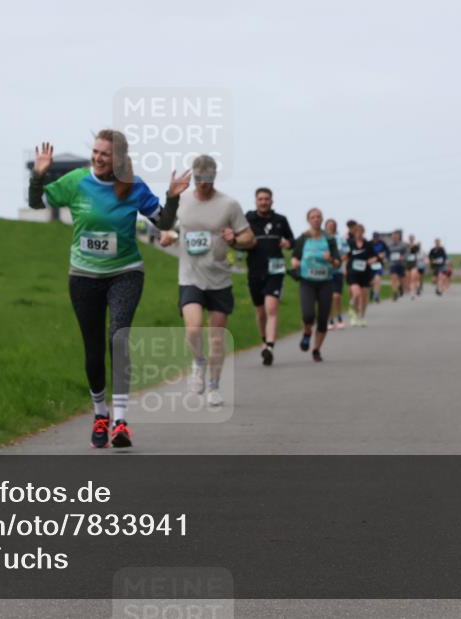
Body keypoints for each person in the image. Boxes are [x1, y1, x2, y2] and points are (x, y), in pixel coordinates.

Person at [28, 133, 190, 449]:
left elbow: (163, 223)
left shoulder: (134, 186)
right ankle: (100, 413)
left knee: (118, 338)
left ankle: (121, 421)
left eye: (105, 154)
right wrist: (38, 174)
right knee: (93, 348)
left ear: (118, 159)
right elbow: (37, 203)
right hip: (83, 276)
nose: (98, 158)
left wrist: (172, 197)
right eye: (95, 151)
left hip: (125, 273)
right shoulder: (76, 181)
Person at [160, 155, 255, 406]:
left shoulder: (229, 205)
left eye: (207, 178)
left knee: (216, 337)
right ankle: (198, 362)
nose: (203, 183)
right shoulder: (183, 200)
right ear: (193, 176)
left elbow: (249, 238)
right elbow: (167, 224)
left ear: (214, 176)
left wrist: (235, 238)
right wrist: (168, 234)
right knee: (193, 329)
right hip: (189, 276)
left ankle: (214, 386)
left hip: (219, 279)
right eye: (199, 178)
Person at [244, 187, 294, 366]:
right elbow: (238, 239)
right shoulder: (248, 219)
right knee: (260, 312)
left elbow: (292, 240)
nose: (264, 202)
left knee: (271, 308)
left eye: (266, 199)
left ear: (272, 201)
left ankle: (270, 347)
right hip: (255, 271)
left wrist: (288, 243)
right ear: (256, 201)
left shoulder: (280, 220)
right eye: (261, 199)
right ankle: (264, 341)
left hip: (276, 270)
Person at [291, 208, 340, 361]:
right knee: (308, 315)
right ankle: (307, 332)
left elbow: (338, 262)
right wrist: (295, 263)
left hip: (325, 282)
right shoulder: (303, 238)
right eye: (313, 217)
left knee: (323, 319)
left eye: (318, 216)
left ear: (322, 219)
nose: (316, 219)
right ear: (308, 220)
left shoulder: (329, 239)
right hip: (307, 281)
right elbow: (294, 256)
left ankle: (316, 350)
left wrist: (330, 259)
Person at [346, 223, 378, 326]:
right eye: (357, 232)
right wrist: (345, 269)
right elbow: (346, 256)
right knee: (356, 294)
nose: (359, 234)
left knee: (364, 296)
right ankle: (354, 313)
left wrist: (372, 260)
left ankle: (361, 316)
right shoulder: (350, 243)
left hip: (365, 273)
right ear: (354, 233)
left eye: (361, 232)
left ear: (363, 232)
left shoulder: (368, 244)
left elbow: (375, 256)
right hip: (353, 272)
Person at [324, 218, 349, 329]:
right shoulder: (322, 238)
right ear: (325, 227)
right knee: (328, 297)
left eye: (332, 225)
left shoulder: (340, 239)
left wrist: (338, 261)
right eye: (328, 225)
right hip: (325, 271)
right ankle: (330, 320)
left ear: (335, 227)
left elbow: (346, 253)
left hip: (337, 270)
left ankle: (339, 316)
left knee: (337, 296)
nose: (330, 227)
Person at [385, 230, 408, 302]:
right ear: (392, 238)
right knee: (393, 278)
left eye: (396, 237)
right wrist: (387, 258)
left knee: (401, 280)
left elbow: (407, 253)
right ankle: (394, 293)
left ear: (398, 237)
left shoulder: (403, 244)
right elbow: (387, 254)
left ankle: (400, 287)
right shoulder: (389, 245)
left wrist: (403, 257)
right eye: (393, 237)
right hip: (393, 264)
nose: (394, 238)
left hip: (401, 264)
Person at [369, 231, 388, 303]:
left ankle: (377, 295)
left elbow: (387, 252)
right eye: (375, 238)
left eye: (377, 238)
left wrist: (384, 255)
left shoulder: (382, 243)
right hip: (370, 264)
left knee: (377, 278)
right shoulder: (369, 243)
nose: (376, 239)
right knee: (371, 281)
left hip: (378, 264)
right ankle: (372, 290)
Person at [405, 235, 421, 300]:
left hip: (414, 265)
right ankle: (414, 289)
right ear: (409, 239)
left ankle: (413, 294)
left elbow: (417, 250)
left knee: (413, 278)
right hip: (407, 265)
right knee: (408, 279)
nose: (411, 239)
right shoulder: (405, 246)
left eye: (412, 238)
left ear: (413, 239)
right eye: (410, 238)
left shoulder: (416, 246)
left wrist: (414, 246)